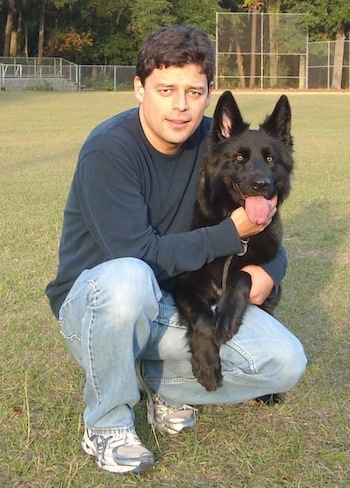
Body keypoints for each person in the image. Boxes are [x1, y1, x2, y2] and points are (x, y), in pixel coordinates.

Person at [46, 25, 307, 475]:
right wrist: (231, 232)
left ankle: (160, 386)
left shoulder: (222, 146)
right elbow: (137, 252)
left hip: (170, 302)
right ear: (139, 88)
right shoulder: (109, 150)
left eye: (193, 90)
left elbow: (266, 226)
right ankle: (106, 424)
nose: (180, 104)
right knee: (129, 278)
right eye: (166, 89)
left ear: (208, 94)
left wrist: (269, 270)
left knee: (285, 362)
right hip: (100, 306)